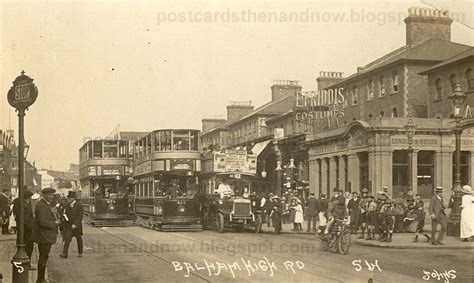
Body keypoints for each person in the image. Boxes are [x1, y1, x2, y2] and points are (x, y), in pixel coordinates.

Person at [32, 188, 61, 283]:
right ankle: (40, 279)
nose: (51, 196)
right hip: (43, 236)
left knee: (44, 256)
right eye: (49, 195)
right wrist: (55, 223)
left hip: (44, 236)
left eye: (52, 195)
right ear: (43, 195)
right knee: (43, 257)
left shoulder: (44, 204)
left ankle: (41, 278)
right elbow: (42, 222)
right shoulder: (42, 206)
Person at [12, 187, 36, 269]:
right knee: (28, 247)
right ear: (28, 197)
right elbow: (26, 220)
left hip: (22, 230)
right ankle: (27, 265)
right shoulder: (25, 206)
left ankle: (25, 264)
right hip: (26, 231)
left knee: (25, 247)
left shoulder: (20, 203)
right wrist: (33, 227)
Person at [60, 191, 84, 258]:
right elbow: (65, 214)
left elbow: (80, 216)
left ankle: (80, 252)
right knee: (67, 238)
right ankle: (65, 253)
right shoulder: (67, 205)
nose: (68, 199)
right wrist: (63, 219)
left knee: (79, 239)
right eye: (68, 198)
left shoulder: (79, 205)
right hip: (69, 225)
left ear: (73, 198)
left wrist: (76, 224)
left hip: (77, 226)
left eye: (69, 198)